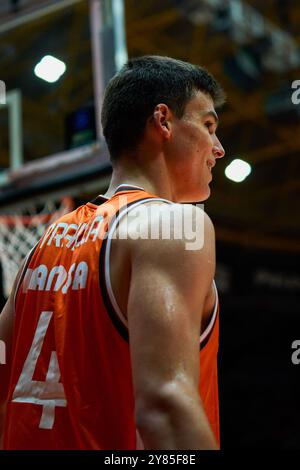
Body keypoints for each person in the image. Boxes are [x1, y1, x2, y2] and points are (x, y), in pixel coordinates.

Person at [0, 55, 225, 450]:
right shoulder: (176, 226)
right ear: (164, 121)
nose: (218, 148)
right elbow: (165, 407)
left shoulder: (44, 243)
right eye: (208, 126)